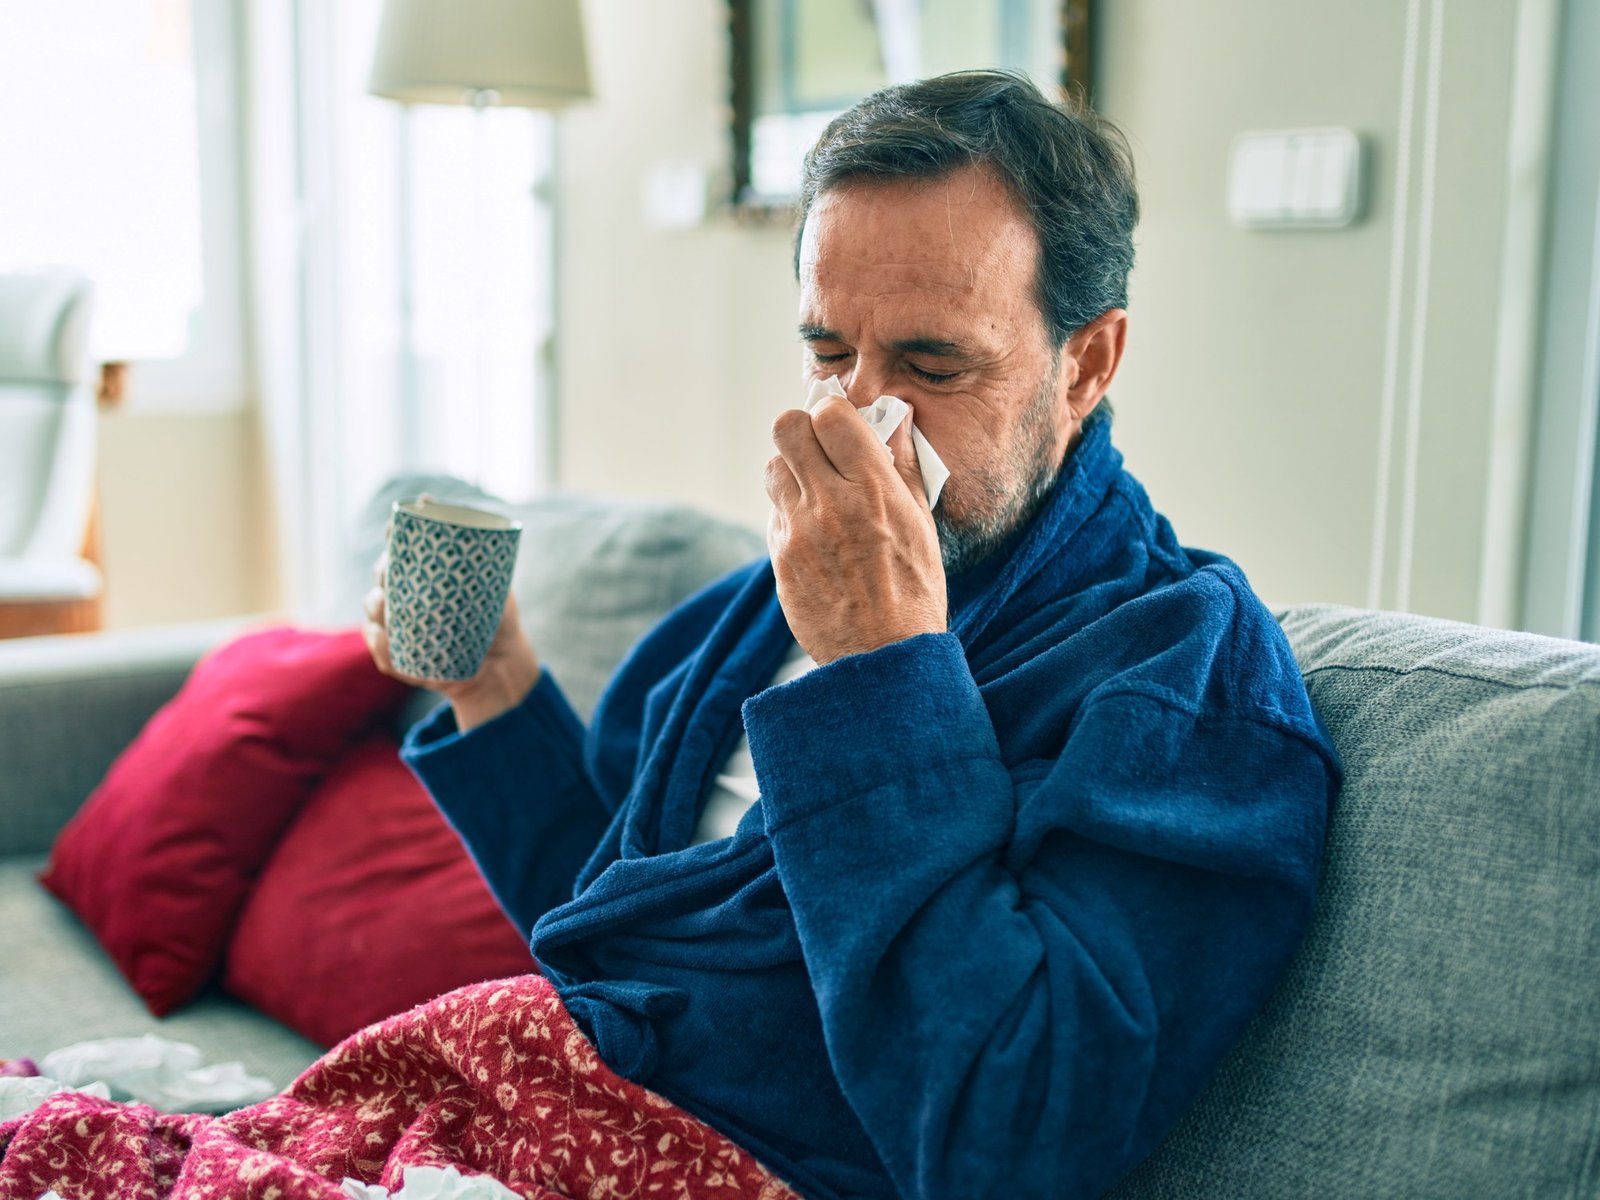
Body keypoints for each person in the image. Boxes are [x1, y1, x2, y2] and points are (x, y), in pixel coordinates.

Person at [364, 70, 1340, 1200]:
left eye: (934, 366)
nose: (860, 418)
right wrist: (494, 687)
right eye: (829, 354)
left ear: (1086, 364)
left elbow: (1009, 1136)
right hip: (524, 1112)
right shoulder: (753, 612)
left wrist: (879, 669)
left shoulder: (1182, 679)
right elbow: (617, 936)